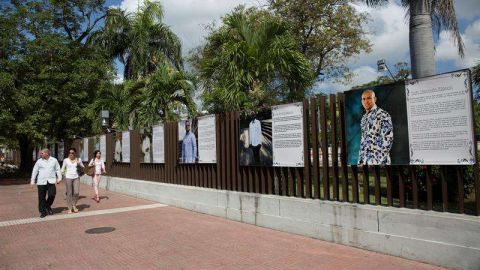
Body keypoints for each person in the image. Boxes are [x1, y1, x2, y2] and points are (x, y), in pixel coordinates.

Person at [358, 89, 394, 165]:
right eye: (363, 99)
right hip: (365, 162)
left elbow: (388, 139)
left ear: (375, 99)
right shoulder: (363, 118)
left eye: (369, 98)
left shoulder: (383, 115)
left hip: (380, 163)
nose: (366, 101)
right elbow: (363, 140)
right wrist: (360, 160)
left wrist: (378, 161)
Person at [30, 148, 61, 218]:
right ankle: (42, 211)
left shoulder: (54, 160)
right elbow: (35, 171)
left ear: (47, 153)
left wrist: (59, 178)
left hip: (51, 181)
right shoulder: (39, 161)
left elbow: (58, 169)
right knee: (41, 198)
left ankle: (47, 205)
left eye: (42, 153)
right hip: (41, 181)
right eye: (41, 153)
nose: (40, 154)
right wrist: (32, 181)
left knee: (52, 194)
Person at [61, 148, 84, 213]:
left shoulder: (78, 159)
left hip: (76, 177)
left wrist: (79, 163)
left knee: (76, 192)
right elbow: (62, 169)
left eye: (72, 153)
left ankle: (74, 205)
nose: (71, 154)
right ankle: (69, 208)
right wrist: (61, 176)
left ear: (75, 153)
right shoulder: (66, 160)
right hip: (68, 177)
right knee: (69, 193)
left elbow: (83, 167)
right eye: (70, 153)